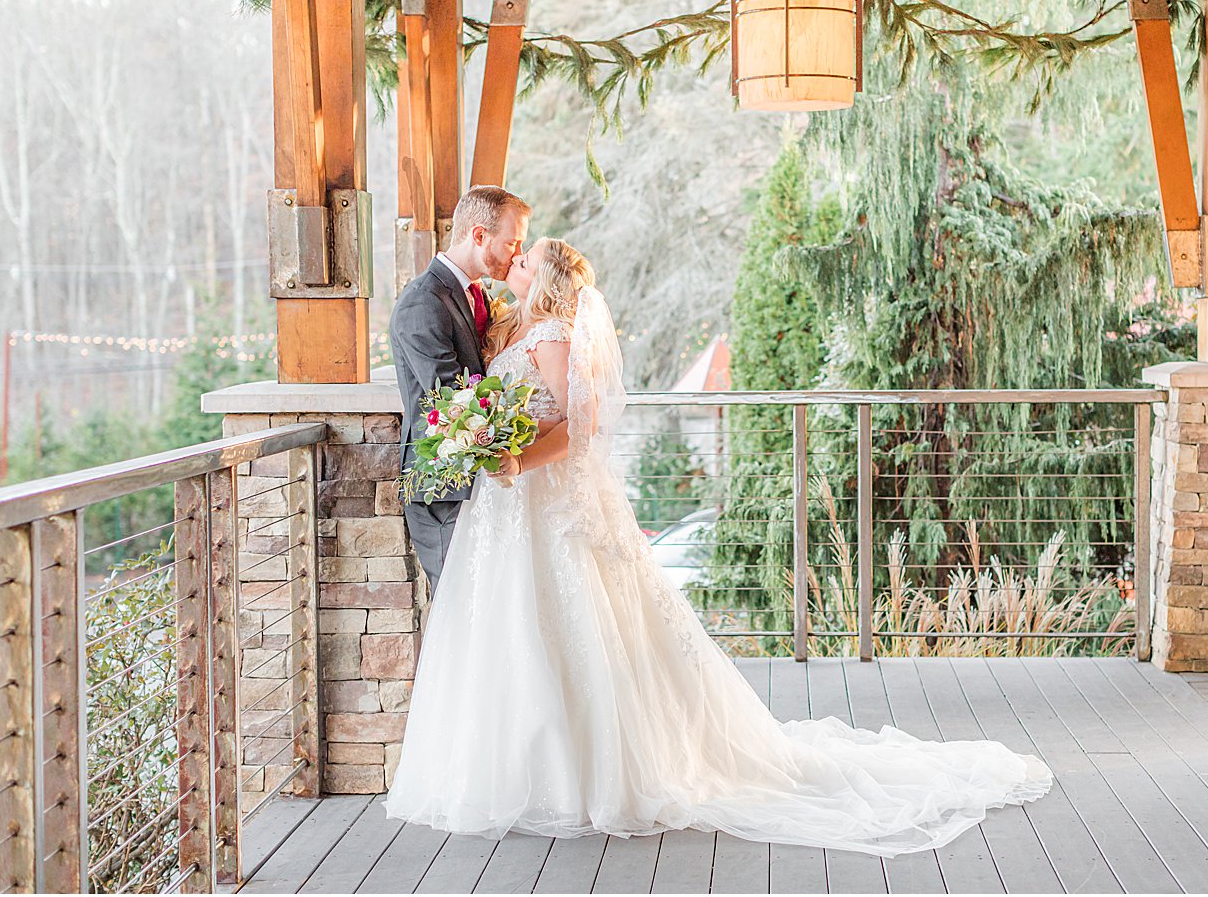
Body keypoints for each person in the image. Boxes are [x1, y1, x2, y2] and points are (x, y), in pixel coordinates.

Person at [384, 237, 1052, 854]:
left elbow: (578, 427)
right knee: (516, 633)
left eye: (525, 260)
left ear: (547, 280)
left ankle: (581, 775)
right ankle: (512, 767)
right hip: (507, 512)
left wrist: (514, 464)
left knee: (571, 628)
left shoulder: (557, 334)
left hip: (541, 499)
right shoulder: (517, 325)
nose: (515, 265)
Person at [388, 184, 529, 596]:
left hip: (482, 483)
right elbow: (451, 400)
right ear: (479, 235)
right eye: (511, 242)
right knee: (460, 607)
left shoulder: (477, 294)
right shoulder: (422, 302)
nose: (516, 254)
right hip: (445, 488)